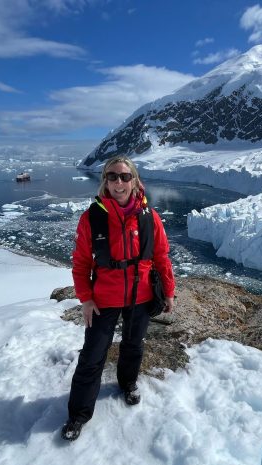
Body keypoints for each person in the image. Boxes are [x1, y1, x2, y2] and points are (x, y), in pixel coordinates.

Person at [61, 155, 175, 441]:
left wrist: (169, 290)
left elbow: (161, 256)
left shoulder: (149, 217)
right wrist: (85, 298)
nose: (119, 182)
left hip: (141, 294)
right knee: (92, 356)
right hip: (103, 299)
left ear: (135, 181)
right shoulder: (93, 217)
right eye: (112, 176)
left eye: (125, 177)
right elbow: (81, 263)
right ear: (105, 182)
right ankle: (79, 414)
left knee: (133, 345)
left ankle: (128, 383)